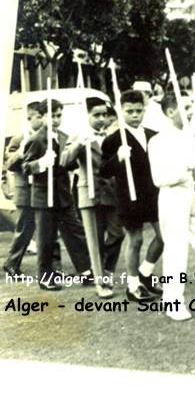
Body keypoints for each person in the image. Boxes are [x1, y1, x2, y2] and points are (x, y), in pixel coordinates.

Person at [148, 93, 195, 321]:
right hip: (172, 197)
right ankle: (173, 302)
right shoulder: (157, 141)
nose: (191, 112)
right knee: (176, 248)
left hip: (193, 195)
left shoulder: (188, 137)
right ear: (171, 112)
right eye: (186, 107)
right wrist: (184, 170)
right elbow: (159, 178)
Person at [22, 99, 94, 291]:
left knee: (76, 233)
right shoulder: (36, 139)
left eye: (58, 115)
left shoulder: (63, 136)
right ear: (43, 116)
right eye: (51, 116)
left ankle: (86, 270)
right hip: (44, 197)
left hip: (63, 194)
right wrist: (41, 163)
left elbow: (69, 164)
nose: (55, 119)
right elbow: (24, 167)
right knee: (47, 238)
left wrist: (77, 149)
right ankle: (45, 276)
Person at [100, 90, 164, 302]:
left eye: (139, 110)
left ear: (144, 110)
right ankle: (133, 285)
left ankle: (145, 273)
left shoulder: (154, 135)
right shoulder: (113, 140)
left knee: (164, 236)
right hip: (128, 196)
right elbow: (103, 171)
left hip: (153, 194)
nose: (135, 115)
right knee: (135, 240)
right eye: (129, 111)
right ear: (120, 111)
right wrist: (118, 158)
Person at [60, 97, 125, 299]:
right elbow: (64, 161)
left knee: (117, 233)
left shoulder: (113, 136)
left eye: (104, 115)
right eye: (96, 115)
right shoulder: (79, 135)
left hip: (112, 192)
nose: (101, 119)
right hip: (89, 191)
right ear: (87, 115)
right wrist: (79, 144)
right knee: (94, 240)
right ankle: (100, 282)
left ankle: (106, 270)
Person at [3, 102, 62, 279]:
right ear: (30, 118)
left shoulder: (50, 137)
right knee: (25, 229)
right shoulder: (19, 138)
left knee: (51, 228)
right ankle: (12, 264)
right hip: (26, 191)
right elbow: (9, 165)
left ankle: (55, 266)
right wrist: (22, 152)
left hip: (44, 190)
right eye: (39, 116)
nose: (44, 120)